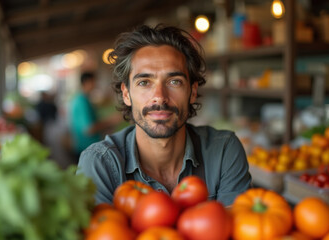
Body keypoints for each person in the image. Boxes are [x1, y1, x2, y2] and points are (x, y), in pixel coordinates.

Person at [76, 24, 251, 206]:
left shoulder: (223, 151)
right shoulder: (100, 164)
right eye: (144, 82)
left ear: (192, 92)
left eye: (174, 81)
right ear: (126, 94)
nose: (159, 97)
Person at [69, 71, 121, 163]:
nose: (96, 84)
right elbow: (89, 129)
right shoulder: (82, 101)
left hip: (87, 148)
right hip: (86, 149)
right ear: (87, 82)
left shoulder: (83, 99)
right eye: (94, 81)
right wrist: (111, 121)